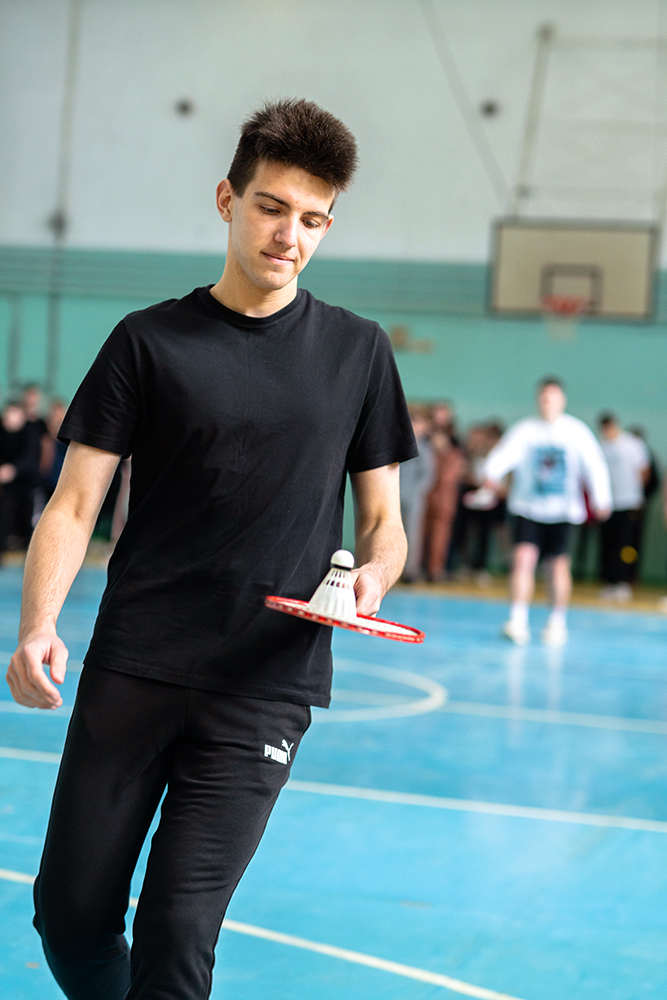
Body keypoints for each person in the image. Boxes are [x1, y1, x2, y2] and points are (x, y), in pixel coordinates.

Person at [6, 98, 416, 1000]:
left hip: (265, 684)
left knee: (179, 928)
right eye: (271, 207)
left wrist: (373, 578)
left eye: (313, 220)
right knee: (70, 916)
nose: (289, 236)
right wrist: (38, 625)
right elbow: (74, 503)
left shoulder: (357, 352)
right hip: (136, 663)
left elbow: (383, 523)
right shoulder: (146, 342)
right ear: (227, 199)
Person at [477, 377, 611, 646]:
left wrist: (602, 497)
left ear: (562, 400)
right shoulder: (525, 430)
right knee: (522, 560)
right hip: (527, 508)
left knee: (558, 566)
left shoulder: (577, 431)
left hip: (564, 512)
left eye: (552, 397)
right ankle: (517, 620)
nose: (547, 402)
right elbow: (504, 455)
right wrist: (491, 474)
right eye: (543, 397)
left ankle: (557, 622)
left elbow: (594, 464)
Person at [597, 413, 650, 601]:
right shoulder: (602, 446)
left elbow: (644, 472)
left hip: (629, 503)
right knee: (608, 544)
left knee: (626, 544)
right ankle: (609, 581)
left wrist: (637, 494)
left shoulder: (632, 444)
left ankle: (624, 581)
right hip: (609, 504)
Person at [0, 398, 41, 559]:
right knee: (5, 515)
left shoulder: (29, 434)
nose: (9, 419)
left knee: (27, 521)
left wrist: (13, 469)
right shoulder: (2, 433)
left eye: (13, 415)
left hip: (27, 484)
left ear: (21, 417)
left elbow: (30, 459)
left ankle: (30, 553)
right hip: (8, 487)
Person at [400, 404, 435, 582]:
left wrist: (415, 492)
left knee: (412, 534)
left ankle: (410, 570)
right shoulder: (399, 443)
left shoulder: (425, 449)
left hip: (413, 498)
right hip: (394, 495)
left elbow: (427, 477)